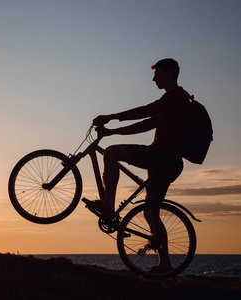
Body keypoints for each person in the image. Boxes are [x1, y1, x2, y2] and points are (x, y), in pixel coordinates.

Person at [92, 58, 191, 272]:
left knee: (111, 153)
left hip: (162, 156)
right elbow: (147, 123)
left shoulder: (175, 98)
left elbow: (145, 111)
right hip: (170, 161)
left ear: (169, 72)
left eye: (157, 73)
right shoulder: (174, 101)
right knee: (150, 211)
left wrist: (111, 117)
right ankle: (165, 264)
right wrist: (113, 131)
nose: (154, 78)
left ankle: (108, 205)